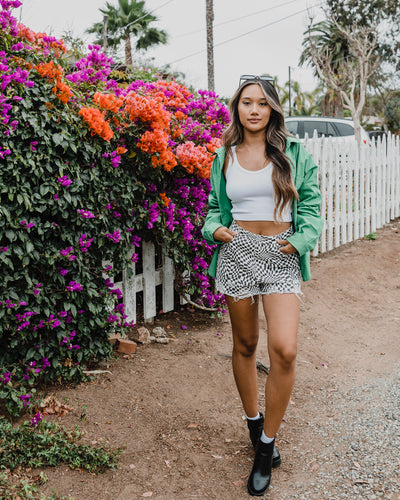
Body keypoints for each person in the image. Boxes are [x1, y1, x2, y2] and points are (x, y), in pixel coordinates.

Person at [201, 75, 323, 496]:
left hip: (281, 254)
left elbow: (311, 205)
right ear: (237, 108)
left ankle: (266, 447)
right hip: (238, 252)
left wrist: (299, 241)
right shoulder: (225, 156)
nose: (254, 110)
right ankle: (254, 425)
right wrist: (216, 230)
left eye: (262, 103)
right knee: (246, 346)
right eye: (246, 102)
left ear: (273, 109)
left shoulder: (293, 154)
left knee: (285, 349)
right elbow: (215, 209)